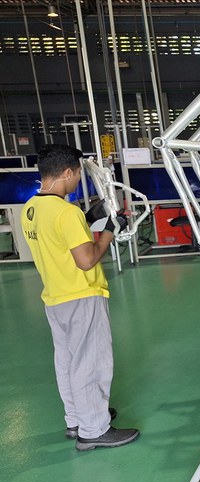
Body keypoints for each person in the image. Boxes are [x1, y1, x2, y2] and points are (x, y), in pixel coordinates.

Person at [21, 144, 140, 451]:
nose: (77, 183)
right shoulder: (66, 212)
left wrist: (89, 218)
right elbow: (86, 260)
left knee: (68, 360)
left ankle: (77, 419)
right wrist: (108, 233)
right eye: (76, 176)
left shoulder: (31, 208)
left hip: (55, 296)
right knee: (90, 361)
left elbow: (56, 237)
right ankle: (94, 430)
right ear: (68, 172)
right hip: (82, 294)